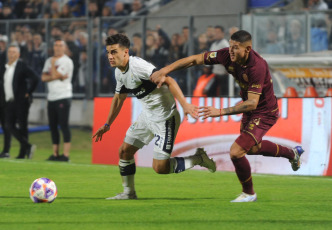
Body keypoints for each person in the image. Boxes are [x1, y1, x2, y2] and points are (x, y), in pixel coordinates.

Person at [150, 30, 305, 202]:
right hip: (248, 109)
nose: (230, 51)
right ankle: (292, 154)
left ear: (247, 49)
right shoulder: (225, 55)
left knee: (236, 152)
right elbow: (195, 59)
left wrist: (221, 111)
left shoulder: (257, 67)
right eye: (230, 46)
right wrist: (165, 70)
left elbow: (253, 103)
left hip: (264, 111)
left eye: (235, 48)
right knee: (252, 148)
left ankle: (249, 193)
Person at [92, 34, 216, 200]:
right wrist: (107, 125)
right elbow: (119, 98)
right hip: (147, 116)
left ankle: (198, 158)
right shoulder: (119, 73)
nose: (110, 56)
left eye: (114, 52)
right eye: (108, 52)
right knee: (124, 151)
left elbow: (169, 80)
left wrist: (185, 105)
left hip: (165, 118)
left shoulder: (138, 66)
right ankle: (128, 193)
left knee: (160, 168)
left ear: (125, 52)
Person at [0, 44, 38, 159]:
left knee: (22, 126)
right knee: (9, 125)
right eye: (10, 52)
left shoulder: (22, 66)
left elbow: (35, 78)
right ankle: (27, 146)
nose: (11, 54)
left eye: (14, 52)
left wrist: (29, 92)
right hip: (9, 101)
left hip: (20, 101)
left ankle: (22, 153)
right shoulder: (5, 67)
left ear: (18, 54)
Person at [41, 38, 74, 162]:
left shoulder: (67, 61)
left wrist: (54, 66)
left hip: (63, 96)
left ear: (64, 48)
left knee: (63, 125)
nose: (58, 47)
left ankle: (65, 155)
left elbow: (55, 75)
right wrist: (55, 76)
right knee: (53, 126)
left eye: (60, 45)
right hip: (52, 96)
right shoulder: (49, 60)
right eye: (56, 45)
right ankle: (55, 154)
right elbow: (43, 77)